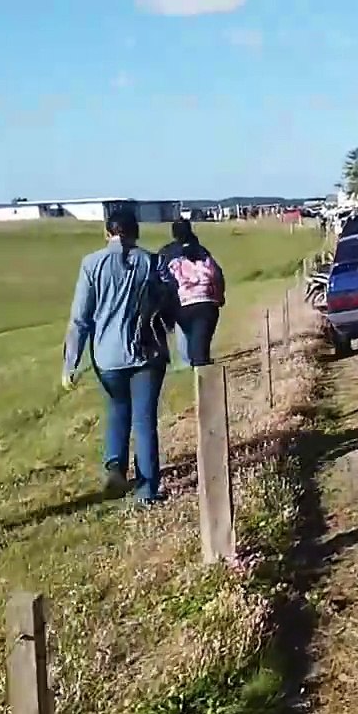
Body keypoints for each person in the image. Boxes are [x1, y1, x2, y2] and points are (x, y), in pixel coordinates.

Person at [63, 207, 177, 506]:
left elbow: (80, 319)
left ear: (107, 232)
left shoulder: (91, 264)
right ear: (135, 232)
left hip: (107, 355)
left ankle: (115, 466)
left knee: (116, 407)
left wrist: (70, 364)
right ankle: (147, 489)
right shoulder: (152, 261)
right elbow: (172, 297)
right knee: (144, 421)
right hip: (147, 352)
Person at [159, 219, 226, 366]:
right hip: (206, 301)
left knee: (187, 339)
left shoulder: (166, 252)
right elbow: (217, 274)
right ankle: (199, 366)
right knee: (200, 344)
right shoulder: (202, 251)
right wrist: (220, 296)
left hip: (181, 303)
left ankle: (192, 366)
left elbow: (162, 280)